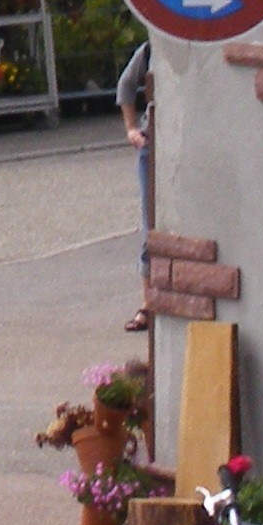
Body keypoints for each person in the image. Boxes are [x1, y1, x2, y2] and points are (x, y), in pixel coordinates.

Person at [117, 39, 154, 332]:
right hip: (152, 144)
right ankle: (148, 304)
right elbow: (125, 86)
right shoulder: (150, 50)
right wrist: (132, 129)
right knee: (150, 225)